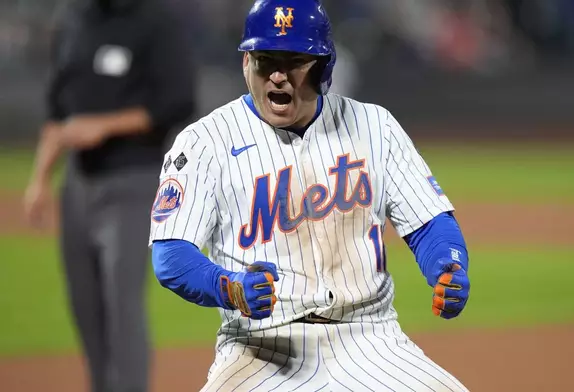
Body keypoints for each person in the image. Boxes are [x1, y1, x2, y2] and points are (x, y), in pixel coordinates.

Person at [149, 0, 471, 391]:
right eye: (266, 60)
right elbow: (170, 255)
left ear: (325, 67)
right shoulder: (204, 142)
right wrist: (229, 287)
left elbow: (429, 222)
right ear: (245, 63)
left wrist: (447, 265)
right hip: (259, 348)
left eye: (294, 60)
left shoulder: (375, 125)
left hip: (370, 340)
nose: (278, 76)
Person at [23, 0, 197, 391]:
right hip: (78, 184)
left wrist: (103, 127)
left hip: (133, 181)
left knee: (122, 308)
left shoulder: (156, 23)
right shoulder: (73, 20)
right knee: (85, 308)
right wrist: (39, 178)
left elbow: (178, 101)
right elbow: (58, 111)